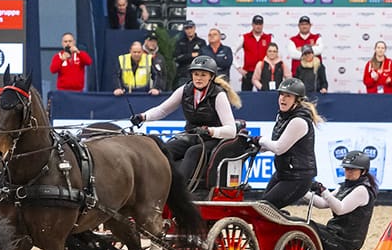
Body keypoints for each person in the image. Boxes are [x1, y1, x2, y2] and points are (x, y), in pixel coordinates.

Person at [130, 55, 242, 186]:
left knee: (192, 152)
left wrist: (209, 130)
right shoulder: (185, 90)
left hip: (213, 140)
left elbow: (231, 130)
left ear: (211, 77)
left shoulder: (219, 95)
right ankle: (153, 185)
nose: (199, 78)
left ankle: (179, 189)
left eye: (203, 75)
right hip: (192, 136)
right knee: (165, 150)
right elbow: (162, 110)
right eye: (196, 74)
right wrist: (143, 117)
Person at [246, 78, 322, 209]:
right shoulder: (282, 116)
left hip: (298, 178)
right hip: (283, 172)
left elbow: (279, 148)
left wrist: (260, 140)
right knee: (264, 207)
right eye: (281, 94)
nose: (283, 99)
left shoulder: (298, 121)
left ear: (297, 100)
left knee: (264, 208)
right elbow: (278, 144)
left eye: (288, 96)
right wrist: (257, 147)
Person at [305, 151, 379, 250]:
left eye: (352, 169)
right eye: (346, 168)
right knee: (304, 225)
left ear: (363, 171)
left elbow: (340, 209)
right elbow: (322, 203)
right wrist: (301, 191)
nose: (348, 172)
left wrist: (324, 191)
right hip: (333, 234)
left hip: (342, 244)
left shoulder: (362, 190)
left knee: (308, 229)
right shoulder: (344, 186)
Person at [237, 14, 272, 91]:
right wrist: (238, 68)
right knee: (245, 97)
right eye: (256, 24)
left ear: (263, 25)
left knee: (264, 96)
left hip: (263, 72)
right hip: (248, 72)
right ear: (252, 25)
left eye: (260, 24)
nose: (258, 26)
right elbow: (232, 52)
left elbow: (274, 54)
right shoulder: (245, 37)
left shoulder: (268, 38)